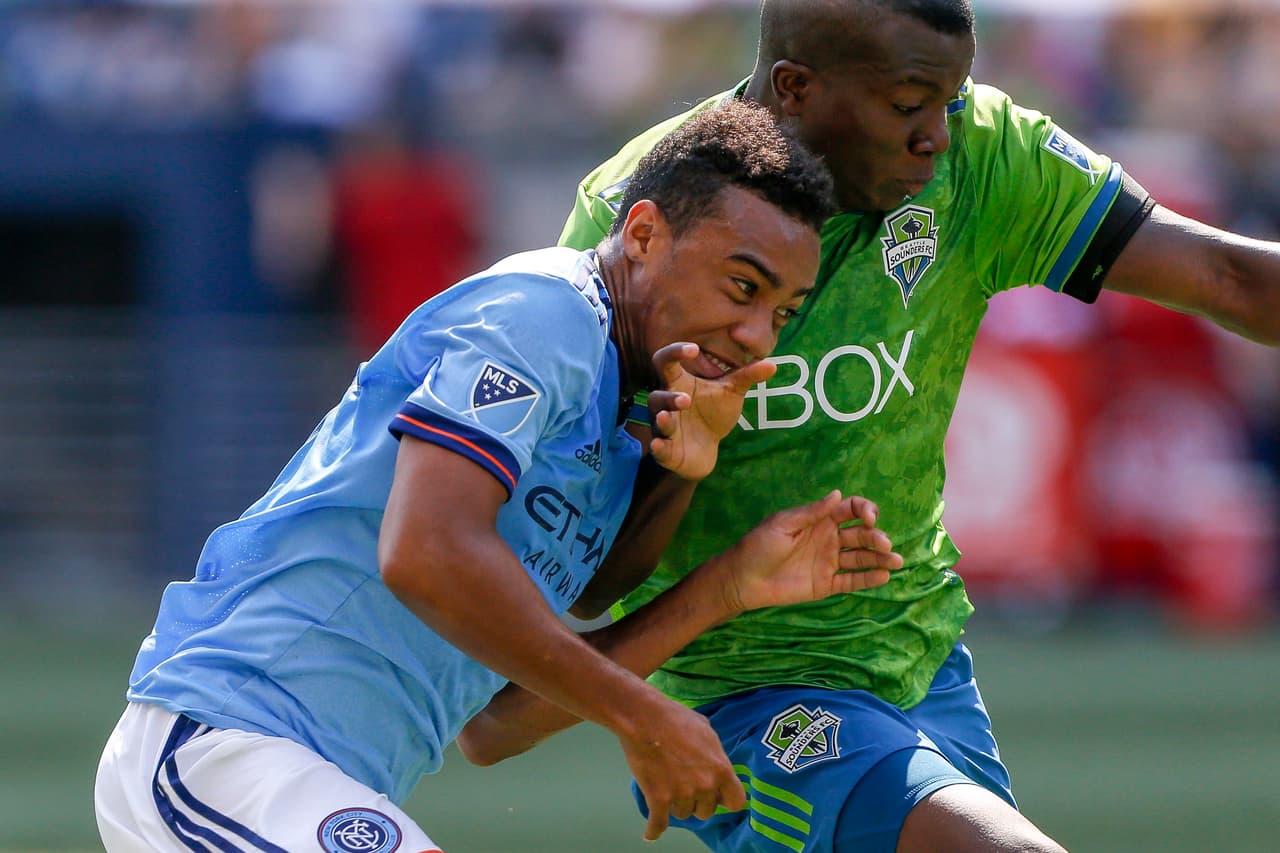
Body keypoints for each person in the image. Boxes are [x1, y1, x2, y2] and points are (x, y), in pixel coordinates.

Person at [458, 1, 1280, 851]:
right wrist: (639, 685)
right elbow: (579, 577)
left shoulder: (985, 155)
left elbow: (1227, 275)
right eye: (908, 106)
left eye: (952, 103)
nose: (938, 136)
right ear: (795, 88)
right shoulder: (645, 221)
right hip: (740, 697)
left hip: (921, 663)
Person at [93, 101, 910, 852]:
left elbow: (495, 725)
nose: (755, 334)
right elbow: (424, 549)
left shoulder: (625, 411)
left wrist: (720, 566)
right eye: (743, 286)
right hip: (224, 744)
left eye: (782, 314)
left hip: (297, 778)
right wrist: (646, 714)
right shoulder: (545, 314)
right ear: (644, 233)